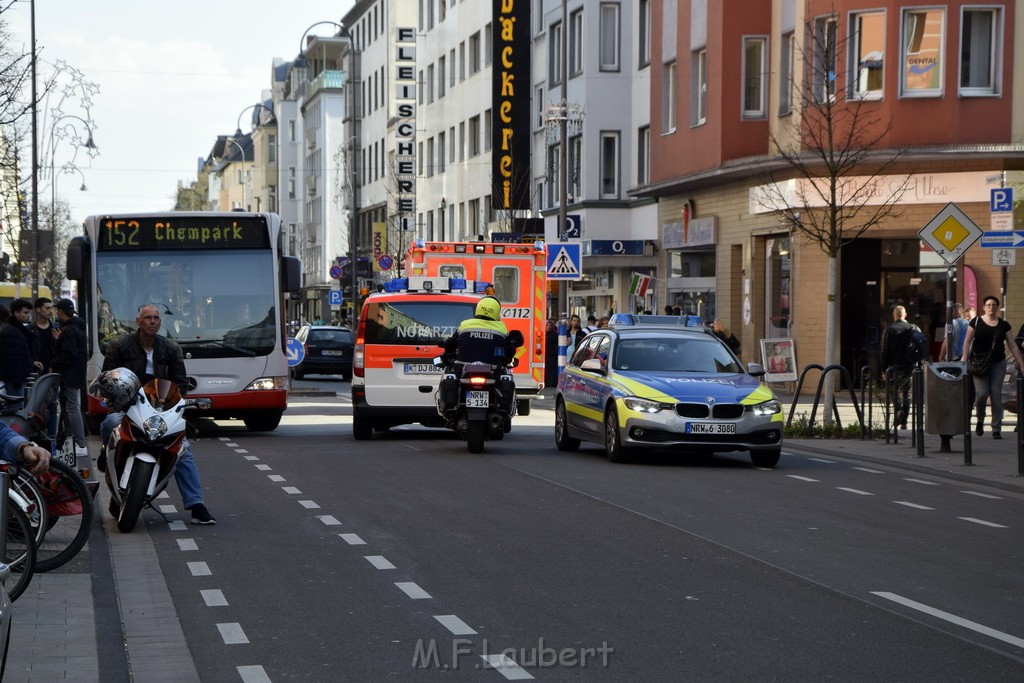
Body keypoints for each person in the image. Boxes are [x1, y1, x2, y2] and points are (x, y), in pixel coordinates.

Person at [100, 304, 216, 524]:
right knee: (110, 423)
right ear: (138, 321)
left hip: (159, 408)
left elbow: (180, 382)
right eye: (148, 318)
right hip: (129, 404)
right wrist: (117, 398)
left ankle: (196, 505)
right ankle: (109, 462)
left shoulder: (171, 348)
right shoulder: (120, 345)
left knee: (183, 449)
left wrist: (176, 404)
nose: (153, 321)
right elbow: (108, 378)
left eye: (156, 318)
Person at [960, 295, 1024, 439]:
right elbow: (967, 341)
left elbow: (1013, 345)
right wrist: (964, 358)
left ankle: (996, 428)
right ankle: (980, 419)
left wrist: (1021, 362)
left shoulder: (1003, 325)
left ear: (997, 307)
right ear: (984, 307)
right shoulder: (975, 322)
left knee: (996, 394)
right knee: (982, 394)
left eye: (994, 305)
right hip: (979, 363)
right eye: (988, 305)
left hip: (998, 363)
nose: (991, 307)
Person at [50, 299, 90, 461]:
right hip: (76, 374)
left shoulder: (68, 330)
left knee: (72, 408)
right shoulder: (77, 328)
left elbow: (69, 353)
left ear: (61, 311)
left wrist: (53, 364)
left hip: (69, 375)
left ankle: (80, 444)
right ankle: (70, 440)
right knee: (68, 408)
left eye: (58, 311)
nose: (56, 314)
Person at [441, 296, 517, 365]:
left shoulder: (465, 324)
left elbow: (451, 343)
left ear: (478, 308)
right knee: (507, 378)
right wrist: (507, 358)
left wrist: (448, 354)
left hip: (462, 367)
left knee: (448, 376)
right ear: (497, 312)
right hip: (493, 370)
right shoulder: (501, 328)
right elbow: (510, 349)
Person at [880, 305, 921, 430]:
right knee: (907, 393)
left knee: (893, 390)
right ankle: (904, 421)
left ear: (894, 315)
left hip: (895, 366)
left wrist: (884, 369)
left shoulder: (890, 329)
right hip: (910, 365)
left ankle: (898, 410)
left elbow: (884, 351)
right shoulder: (914, 328)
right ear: (905, 315)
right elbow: (921, 348)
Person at [0, 298, 43, 397]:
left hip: (16, 378)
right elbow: (13, 358)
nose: (28, 315)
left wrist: (31, 362)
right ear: (16, 313)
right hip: (15, 380)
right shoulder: (13, 332)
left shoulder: (19, 330)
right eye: (25, 312)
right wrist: (17, 381)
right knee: (16, 406)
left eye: (29, 312)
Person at [30, 297, 59, 440]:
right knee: (35, 405)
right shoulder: (30, 329)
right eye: (47, 308)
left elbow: (61, 352)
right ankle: (37, 435)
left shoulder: (56, 328)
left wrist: (58, 340)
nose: (50, 311)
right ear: (38, 309)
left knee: (52, 405)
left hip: (52, 372)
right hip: (35, 373)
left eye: (51, 308)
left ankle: (52, 436)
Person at [544, 320, 559, 388]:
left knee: (552, 370)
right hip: (546, 355)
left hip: (552, 355)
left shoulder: (555, 335)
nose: (549, 327)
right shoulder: (545, 334)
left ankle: (552, 383)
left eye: (550, 326)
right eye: (547, 325)